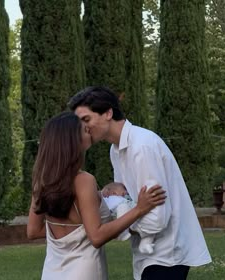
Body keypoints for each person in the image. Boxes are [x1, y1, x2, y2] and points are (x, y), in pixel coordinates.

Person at [69, 86, 212, 280]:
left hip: (167, 254)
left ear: (108, 113)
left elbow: (157, 218)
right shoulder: (115, 150)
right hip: (148, 255)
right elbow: (125, 202)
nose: (83, 128)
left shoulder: (142, 146)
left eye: (86, 119)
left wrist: (124, 226)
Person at [27, 112, 166, 280]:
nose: (90, 132)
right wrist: (139, 209)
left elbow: (33, 231)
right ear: (72, 141)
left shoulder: (42, 180)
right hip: (84, 271)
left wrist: (76, 230)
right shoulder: (84, 181)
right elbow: (97, 236)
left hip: (52, 271)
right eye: (85, 130)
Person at [102, 182, 155, 253]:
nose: (126, 193)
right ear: (112, 193)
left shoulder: (122, 199)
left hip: (134, 217)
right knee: (123, 207)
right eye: (123, 192)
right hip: (126, 219)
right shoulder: (112, 199)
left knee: (148, 226)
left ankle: (146, 243)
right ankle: (121, 232)